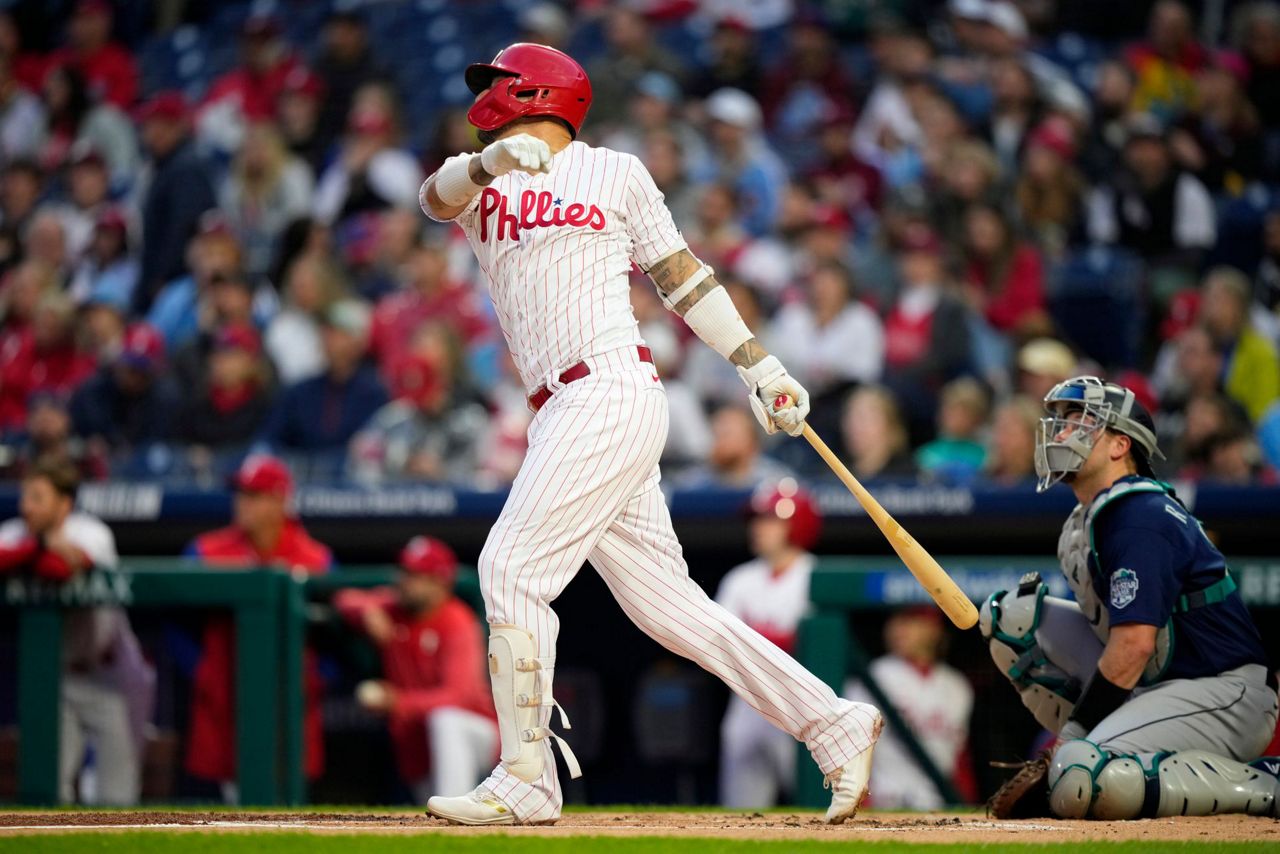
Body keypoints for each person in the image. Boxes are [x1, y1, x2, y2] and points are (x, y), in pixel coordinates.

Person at [418, 42, 881, 826]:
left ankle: (527, 775)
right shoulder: (483, 183)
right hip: (559, 409)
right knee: (669, 608)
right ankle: (831, 721)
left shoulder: (616, 172)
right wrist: (490, 160)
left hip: (609, 388)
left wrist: (758, 365)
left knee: (511, 567)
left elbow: (683, 279)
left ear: (535, 90)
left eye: (497, 83)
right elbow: (434, 198)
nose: (486, 95)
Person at [982, 376, 1280, 819]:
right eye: (1061, 422)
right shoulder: (1091, 517)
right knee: (1010, 617)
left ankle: (1262, 785)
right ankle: (1107, 747)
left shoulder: (1138, 514)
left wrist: (1073, 738)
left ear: (1120, 445)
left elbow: (1134, 644)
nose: (1061, 432)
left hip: (1224, 690)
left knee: (1078, 777)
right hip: (1160, 684)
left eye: (1080, 422)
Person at [0, 457, 152, 804]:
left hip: (112, 674)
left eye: (38, 498)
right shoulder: (14, 531)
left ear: (64, 503)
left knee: (118, 796)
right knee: (50, 791)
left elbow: (67, 567)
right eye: (25, 497)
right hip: (56, 678)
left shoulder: (91, 531)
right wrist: (39, 546)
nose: (27, 507)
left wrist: (33, 554)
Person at [183, 454, 331, 800]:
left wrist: (317, 676)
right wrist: (201, 669)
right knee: (232, 804)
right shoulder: (205, 551)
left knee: (290, 796)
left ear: (280, 500)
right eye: (241, 494)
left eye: (254, 495)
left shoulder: (316, 557)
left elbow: (334, 635)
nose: (242, 504)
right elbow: (173, 621)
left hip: (288, 695)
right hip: (226, 691)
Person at [334, 537, 498, 803]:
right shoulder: (394, 608)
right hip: (419, 747)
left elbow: (459, 697)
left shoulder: (457, 622)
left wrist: (398, 701)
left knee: (445, 719)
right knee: (429, 809)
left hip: (476, 737)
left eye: (417, 576)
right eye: (405, 572)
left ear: (440, 582)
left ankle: (455, 807)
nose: (405, 581)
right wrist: (366, 611)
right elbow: (344, 599)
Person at [715, 482, 822, 808]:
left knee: (814, 808)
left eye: (771, 520)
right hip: (747, 706)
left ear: (797, 524)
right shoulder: (739, 579)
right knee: (740, 813)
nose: (759, 527)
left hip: (799, 708)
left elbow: (809, 646)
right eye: (757, 519)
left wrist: (753, 640)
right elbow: (718, 643)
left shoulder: (815, 575)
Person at [844, 607, 974, 810]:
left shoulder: (957, 686)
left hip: (939, 802)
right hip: (885, 800)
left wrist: (965, 805)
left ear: (934, 628)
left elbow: (960, 760)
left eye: (912, 620)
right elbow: (852, 749)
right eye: (895, 619)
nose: (898, 628)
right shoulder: (874, 676)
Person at [258, 298, 387, 454]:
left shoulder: (375, 393)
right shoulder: (300, 393)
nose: (331, 341)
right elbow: (270, 439)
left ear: (360, 342)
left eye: (341, 334)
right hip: (306, 475)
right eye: (327, 332)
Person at [133, 91, 217, 313]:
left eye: (163, 125)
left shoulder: (185, 169)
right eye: (149, 126)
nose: (153, 133)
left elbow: (183, 227)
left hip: (177, 282)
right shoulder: (165, 167)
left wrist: (164, 277)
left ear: (180, 126)